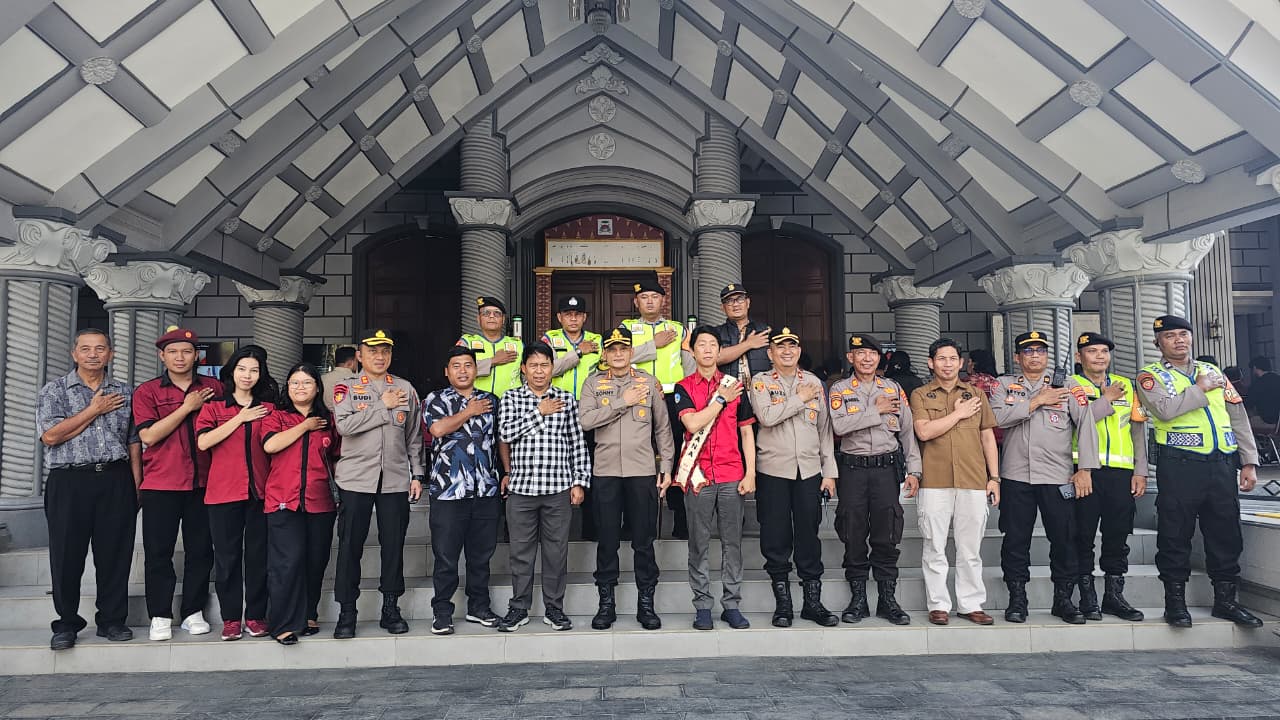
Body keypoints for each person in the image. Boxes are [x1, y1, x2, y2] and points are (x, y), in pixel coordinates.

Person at [1136, 315, 1262, 628]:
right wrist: (1199, 388)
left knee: (1225, 532)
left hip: (1221, 463)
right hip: (1180, 464)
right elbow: (1164, 410)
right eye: (1170, 336)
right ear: (1158, 343)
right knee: (1175, 532)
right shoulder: (1150, 376)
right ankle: (1175, 604)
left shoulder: (1213, 371)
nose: (1179, 340)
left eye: (1183, 333)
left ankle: (1226, 601)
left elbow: (1237, 415)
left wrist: (1248, 461)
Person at [37, 329, 143, 651]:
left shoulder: (125, 392)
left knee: (115, 554)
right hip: (69, 480)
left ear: (110, 353)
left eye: (100, 349)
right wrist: (93, 410)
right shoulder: (54, 391)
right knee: (66, 555)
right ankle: (66, 623)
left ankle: (112, 620)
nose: (93, 354)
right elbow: (51, 436)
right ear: (74, 354)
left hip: (115, 478)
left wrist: (136, 485)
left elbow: (133, 441)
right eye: (86, 349)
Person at [990, 330, 1100, 625]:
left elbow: (1086, 425)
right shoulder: (1004, 385)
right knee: (1015, 540)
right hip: (1016, 475)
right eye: (1028, 351)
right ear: (1017, 357)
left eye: (1040, 350)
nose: (1035, 356)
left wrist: (1085, 469)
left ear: (1047, 355)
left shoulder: (1069, 385)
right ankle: (1017, 598)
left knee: (1064, 539)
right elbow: (997, 418)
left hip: (1057, 476)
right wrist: (1037, 400)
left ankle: (1063, 599)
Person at [330, 329, 425, 638]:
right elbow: (345, 426)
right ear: (360, 355)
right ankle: (347, 611)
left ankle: (390, 608)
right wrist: (382, 405)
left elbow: (413, 436)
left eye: (385, 351)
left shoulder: (405, 388)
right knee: (350, 547)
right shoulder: (346, 388)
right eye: (372, 351)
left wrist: (417, 474)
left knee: (393, 546)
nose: (379, 357)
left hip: (395, 479)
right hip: (356, 479)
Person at [578, 327, 674, 630]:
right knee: (607, 541)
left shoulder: (648, 383)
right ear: (605, 354)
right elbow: (586, 420)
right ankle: (606, 604)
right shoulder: (593, 383)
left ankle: (646, 604)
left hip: (642, 472)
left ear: (632, 352)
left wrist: (666, 466)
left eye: (623, 349)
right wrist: (623, 401)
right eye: (612, 349)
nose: (618, 354)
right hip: (606, 473)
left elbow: (662, 428)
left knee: (643, 541)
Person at [132, 326, 223, 641]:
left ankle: (193, 611)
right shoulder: (148, 392)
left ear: (197, 355)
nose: (180, 357)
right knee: (159, 552)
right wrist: (187, 407)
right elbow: (148, 435)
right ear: (162, 356)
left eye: (186, 351)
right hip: (162, 482)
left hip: (205, 481)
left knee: (201, 550)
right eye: (172, 352)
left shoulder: (214, 387)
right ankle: (160, 614)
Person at [496, 343, 592, 632]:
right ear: (524, 368)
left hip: (558, 488)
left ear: (552, 368)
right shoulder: (511, 397)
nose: (539, 371)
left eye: (544, 365)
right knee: (520, 553)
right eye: (533, 365)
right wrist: (539, 411)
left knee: (556, 552)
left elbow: (577, 443)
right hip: (522, 489)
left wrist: (579, 481)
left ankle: (554, 608)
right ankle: (519, 608)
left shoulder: (566, 399)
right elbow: (505, 432)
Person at [827, 333, 920, 626]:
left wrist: (914, 470)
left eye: (872, 353)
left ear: (880, 358)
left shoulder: (893, 388)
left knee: (887, 533)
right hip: (853, 470)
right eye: (861, 353)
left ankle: (887, 599)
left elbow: (907, 432)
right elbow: (839, 425)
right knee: (853, 533)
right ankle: (858, 600)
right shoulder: (840, 389)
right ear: (851, 357)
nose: (867, 358)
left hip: (885, 470)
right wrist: (875, 410)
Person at [748, 327, 839, 627]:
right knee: (775, 536)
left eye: (792, 346)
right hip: (773, 470)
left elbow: (824, 431)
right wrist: (799, 399)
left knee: (808, 535)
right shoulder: (761, 382)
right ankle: (783, 604)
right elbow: (767, 418)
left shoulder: (813, 382)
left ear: (799, 351)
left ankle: (812, 603)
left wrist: (829, 472)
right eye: (780, 347)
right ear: (770, 353)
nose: (787, 351)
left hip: (809, 471)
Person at [910, 338, 1001, 626]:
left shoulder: (976, 394)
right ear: (931, 363)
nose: (947, 364)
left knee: (970, 548)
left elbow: (987, 437)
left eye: (952, 358)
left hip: (973, 479)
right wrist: (959, 413)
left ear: (961, 363)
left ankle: (971, 604)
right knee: (934, 545)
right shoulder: (920, 394)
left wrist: (994, 478)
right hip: (934, 480)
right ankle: (938, 604)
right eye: (941, 358)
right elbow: (924, 432)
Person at [672, 326, 756, 631]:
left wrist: (750, 472)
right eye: (701, 345)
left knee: (733, 543)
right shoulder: (683, 387)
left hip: (732, 473)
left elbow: (746, 432)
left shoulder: (735, 386)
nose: (707, 349)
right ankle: (703, 605)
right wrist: (720, 400)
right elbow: (692, 424)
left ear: (720, 351)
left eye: (712, 345)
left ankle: (731, 604)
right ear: (692, 351)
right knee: (699, 543)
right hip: (699, 476)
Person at [194, 345, 275, 641]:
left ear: (261, 375)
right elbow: (204, 442)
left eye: (254, 370)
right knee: (227, 559)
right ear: (232, 372)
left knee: (258, 558)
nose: (247, 375)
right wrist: (239, 418)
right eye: (242, 369)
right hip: (223, 493)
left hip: (260, 492)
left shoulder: (269, 409)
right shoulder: (214, 408)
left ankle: (255, 616)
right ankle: (230, 619)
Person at [421, 347, 502, 635]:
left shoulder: (491, 400)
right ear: (447, 371)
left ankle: (478, 607)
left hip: (485, 489)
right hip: (449, 491)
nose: (463, 371)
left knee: (481, 555)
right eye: (456, 366)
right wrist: (468, 411)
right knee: (446, 557)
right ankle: (442, 612)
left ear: (476, 369)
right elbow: (437, 430)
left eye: (468, 365)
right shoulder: (436, 399)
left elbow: (499, 440)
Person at [1070, 333, 1147, 622]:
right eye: (1092, 351)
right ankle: (1087, 596)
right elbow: (1077, 420)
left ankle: (1114, 596)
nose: (1100, 356)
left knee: (1118, 535)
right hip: (1085, 471)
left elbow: (1137, 430)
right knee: (1083, 535)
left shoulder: (1125, 385)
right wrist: (1106, 399)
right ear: (1079, 357)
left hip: (1121, 473)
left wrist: (1140, 470)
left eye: (1104, 351)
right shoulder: (1071, 385)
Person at [262, 363, 339, 644]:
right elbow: (270, 445)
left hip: (320, 501)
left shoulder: (329, 420)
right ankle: (282, 624)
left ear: (317, 388)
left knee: (315, 561)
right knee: (287, 562)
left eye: (307, 382)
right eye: (294, 382)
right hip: (283, 499)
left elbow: (336, 457)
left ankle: (308, 613)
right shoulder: (277, 416)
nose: (300, 387)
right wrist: (305, 426)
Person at [622, 275, 694, 538]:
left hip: (672, 400)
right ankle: (633, 523)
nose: (650, 301)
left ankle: (680, 520)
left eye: (654, 297)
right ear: (636, 302)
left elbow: (690, 365)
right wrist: (654, 344)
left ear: (663, 300)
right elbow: (619, 358)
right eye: (644, 297)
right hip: (637, 398)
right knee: (635, 458)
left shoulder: (679, 329)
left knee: (673, 457)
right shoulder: (626, 329)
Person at [458, 296, 523, 398]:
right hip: (475, 402)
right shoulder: (467, 342)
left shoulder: (518, 345)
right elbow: (458, 371)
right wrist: (492, 361)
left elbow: (529, 373)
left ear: (503, 319)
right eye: (486, 313)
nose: (492, 316)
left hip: (511, 404)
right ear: (478, 319)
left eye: (497, 313)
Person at [713, 282, 771, 389]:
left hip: (762, 392)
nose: (735, 304)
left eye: (740, 299)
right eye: (729, 301)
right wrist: (748, 344)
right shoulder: (716, 333)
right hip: (728, 392)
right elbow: (714, 358)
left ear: (748, 303)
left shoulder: (765, 330)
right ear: (722, 308)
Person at [543, 295, 601, 399]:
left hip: (589, 401)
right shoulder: (550, 338)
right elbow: (547, 370)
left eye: (578, 314)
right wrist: (578, 352)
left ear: (584, 317)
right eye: (568, 314)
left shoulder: (596, 340)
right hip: (558, 400)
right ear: (559, 317)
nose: (573, 319)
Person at [321, 346, 358, 411]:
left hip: (325, 415)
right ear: (350, 362)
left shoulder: (322, 378)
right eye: (356, 361)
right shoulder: (357, 380)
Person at [1246, 356, 1280, 427]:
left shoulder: (1257, 384)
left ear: (1255, 368)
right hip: (1278, 421)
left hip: (1267, 420)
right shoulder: (1278, 379)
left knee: (1244, 423)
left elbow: (1249, 403)